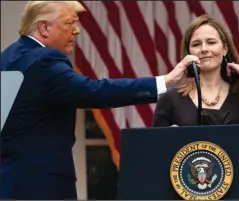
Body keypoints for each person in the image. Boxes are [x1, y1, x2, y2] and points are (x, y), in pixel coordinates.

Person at [0, 1, 200, 199]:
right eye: (70, 23)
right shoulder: (43, 61)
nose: (76, 30)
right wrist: (165, 81)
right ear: (44, 27)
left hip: (10, 180)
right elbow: (95, 91)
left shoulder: (9, 57)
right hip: (40, 185)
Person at [153, 15, 239, 127]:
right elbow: (155, 148)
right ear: (189, 52)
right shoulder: (170, 100)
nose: (204, 49)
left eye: (211, 42)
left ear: (225, 49)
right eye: (196, 44)